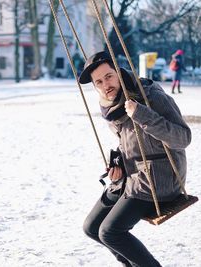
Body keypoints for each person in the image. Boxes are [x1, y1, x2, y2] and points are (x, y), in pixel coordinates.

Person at [78, 51, 191, 267]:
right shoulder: (111, 108)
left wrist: (142, 115)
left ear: (119, 72)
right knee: (91, 228)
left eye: (109, 76)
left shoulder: (150, 96)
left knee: (110, 232)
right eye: (99, 82)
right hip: (133, 177)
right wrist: (118, 165)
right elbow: (133, 144)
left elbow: (183, 138)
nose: (105, 85)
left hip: (160, 178)